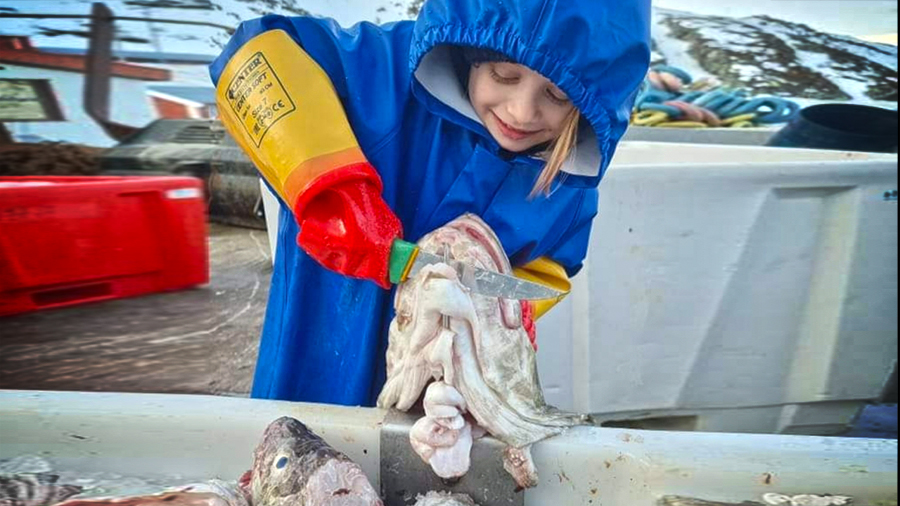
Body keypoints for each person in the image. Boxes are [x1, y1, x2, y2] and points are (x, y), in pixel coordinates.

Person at [209, 0, 651, 407]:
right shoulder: (384, 75)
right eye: (503, 74)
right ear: (472, 50)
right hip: (315, 357)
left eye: (558, 95)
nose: (521, 112)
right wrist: (333, 192)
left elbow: (544, 273)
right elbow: (255, 56)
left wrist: (503, 316)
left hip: (441, 399)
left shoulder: (569, 183)